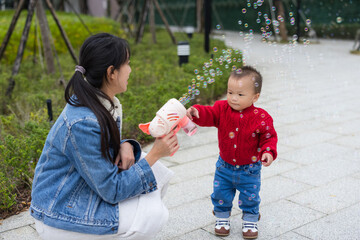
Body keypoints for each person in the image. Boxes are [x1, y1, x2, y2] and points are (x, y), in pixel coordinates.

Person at [30, 33, 179, 240]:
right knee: (155, 215)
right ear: (111, 72)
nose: (130, 69)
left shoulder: (96, 100)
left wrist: (125, 144)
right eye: (127, 63)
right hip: (59, 212)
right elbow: (112, 189)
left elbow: (98, 151)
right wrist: (156, 153)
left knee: (157, 174)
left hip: (80, 188)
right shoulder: (82, 122)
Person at [186, 66, 278, 239]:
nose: (233, 98)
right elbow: (209, 114)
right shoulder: (221, 109)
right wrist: (197, 111)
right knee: (221, 193)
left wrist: (268, 151)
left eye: (240, 94)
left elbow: (269, 137)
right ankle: (222, 218)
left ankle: (250, 219)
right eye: (230, 92)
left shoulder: (262, 117)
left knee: (250, 195)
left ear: (255, 97)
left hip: (249, 169)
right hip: (224, 166)